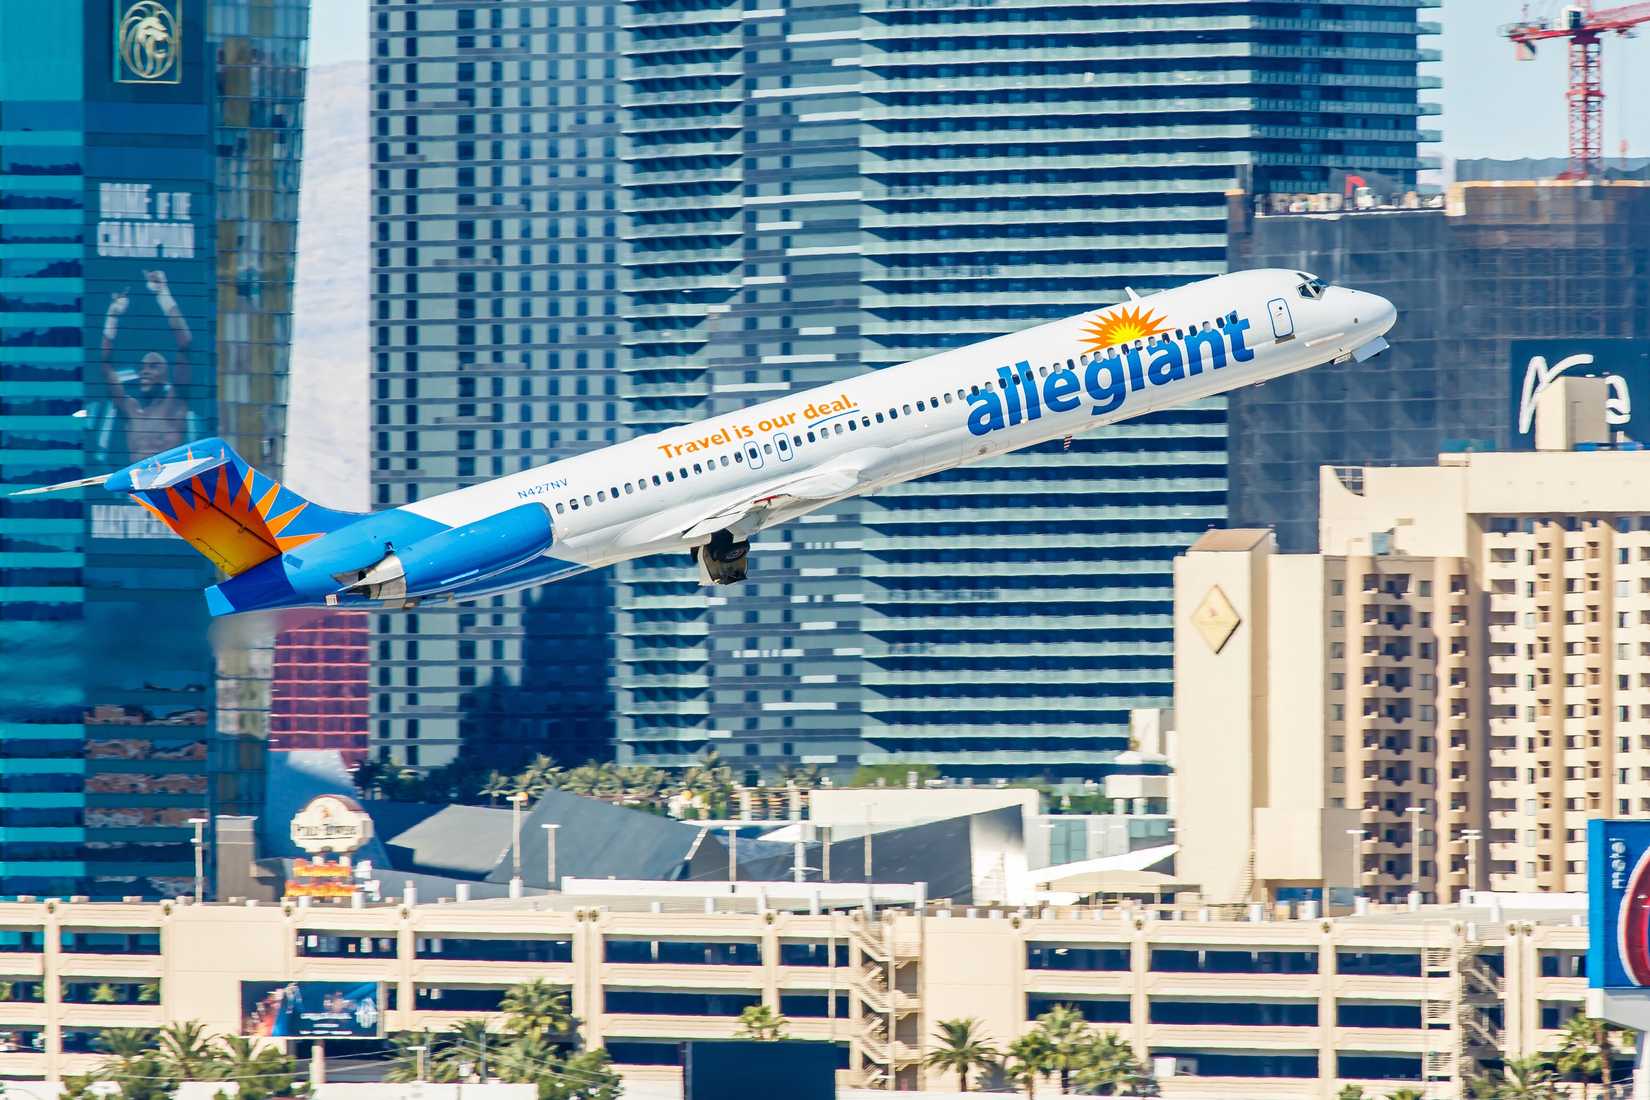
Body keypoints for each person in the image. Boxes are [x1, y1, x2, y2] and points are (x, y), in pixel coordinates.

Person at [100, 268, 193, 461]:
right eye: (143, 367)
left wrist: (163, 295)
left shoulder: (174, 403)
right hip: (137, 489)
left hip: (169, 488)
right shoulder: (131, 410)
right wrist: (112, 316)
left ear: (166, 375)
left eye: (153, 366)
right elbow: (105, 363)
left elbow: (185, 344)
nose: (145, 371)